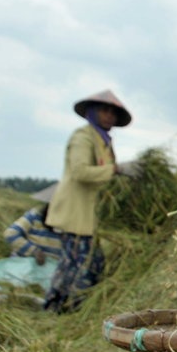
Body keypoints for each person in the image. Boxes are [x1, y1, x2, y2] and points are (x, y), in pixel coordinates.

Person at [43, 89, 133, 313]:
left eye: (113, 112)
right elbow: (80, 172)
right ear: (92, 112)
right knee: (73, 266)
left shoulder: (103, 141)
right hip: (75, 214)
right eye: (105, 111)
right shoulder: (82, 137)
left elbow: (105, 174)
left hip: (89, 216)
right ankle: (56, 308)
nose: (110, 116)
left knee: (92, 264)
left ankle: (75, 307)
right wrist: (117, 169)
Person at [3, 197, 62, 265]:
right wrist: (34, 251)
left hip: (50, 270)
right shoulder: (35, 216)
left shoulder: (72, 226)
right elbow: (11, 233)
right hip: (23, 265)